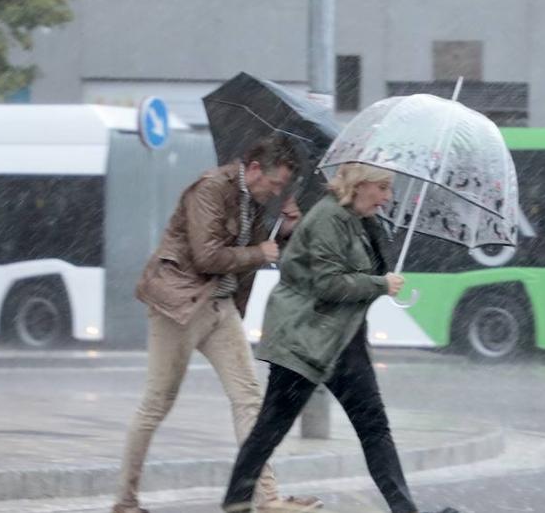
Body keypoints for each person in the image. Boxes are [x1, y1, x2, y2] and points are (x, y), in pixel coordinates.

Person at [221, 163, 459, 513]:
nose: (387, 197)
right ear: (360, 184)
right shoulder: (327, 218)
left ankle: (405, 510)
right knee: (272, 426)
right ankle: (236, 502)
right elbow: (328, 284)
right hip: (305, 338)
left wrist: (378, 258)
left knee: (374, 426)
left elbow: (364, 271)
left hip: (344, 341)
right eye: (382, 188)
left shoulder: (357, 220)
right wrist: (380, 284)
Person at [114, 135, 322, 513]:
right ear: (254, 169)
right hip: (179, 306)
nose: (276, 191)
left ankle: (268, 498)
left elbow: (262, 252)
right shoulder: (210, 189)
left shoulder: (254, 202)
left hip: (220, 308)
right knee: (158, 402)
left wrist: (285, 230)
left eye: (281, 186)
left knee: (248, 398)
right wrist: (259, 252)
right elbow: (206, 255)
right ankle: (125, 500)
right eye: (274, 183)